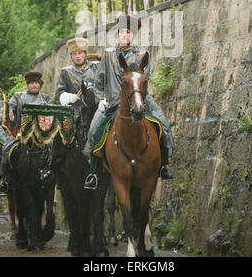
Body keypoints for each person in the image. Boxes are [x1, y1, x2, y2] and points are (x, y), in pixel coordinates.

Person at [83, 15, 174, 190]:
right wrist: (100, 99)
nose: (126, 35)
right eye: (123, 32)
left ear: (134, 35)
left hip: (139, 100)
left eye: (129, 32)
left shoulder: (141, 55)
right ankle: (93, 173)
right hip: (111, 102)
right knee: (94, 130)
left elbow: (145, 80)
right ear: (118, 34)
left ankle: (163, 165)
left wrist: (142, 98)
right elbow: (98, 83)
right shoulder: (108, 55)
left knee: (163, 124)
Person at [41, 37, 99, 182]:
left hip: (95, 109)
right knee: (59, 136)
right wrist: (71, 97)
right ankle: (52, 166)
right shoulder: (65, 72)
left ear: (85, 53)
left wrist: (102, 99)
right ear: (71, 56)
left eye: (80, 53)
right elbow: (59, 93)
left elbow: (103, 86)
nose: (78, 56)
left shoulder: (96, 68)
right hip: (73, 112)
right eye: (74, 54)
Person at [0, 71, 51, 192]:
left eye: (36, 83)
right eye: (32, 83)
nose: (34, 85)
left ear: (40, 84)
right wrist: (5, 110)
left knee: (55, 149)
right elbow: (10, 112)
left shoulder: (45, 98)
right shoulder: (18, 96)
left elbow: (50, 114)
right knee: (6, 148)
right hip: (20, 135)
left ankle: (52, 175)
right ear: (27, 84)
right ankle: (6, 180)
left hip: (42, 136)